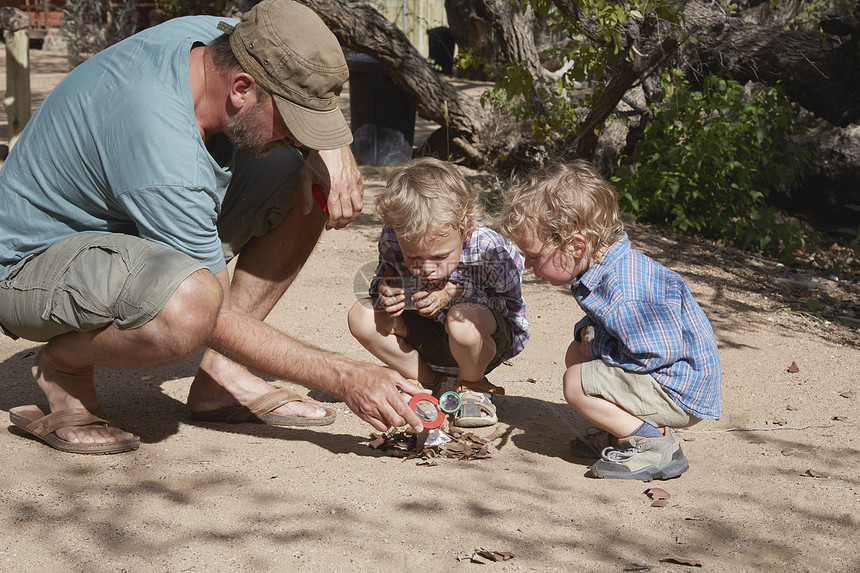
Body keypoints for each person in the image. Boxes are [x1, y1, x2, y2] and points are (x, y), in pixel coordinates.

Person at [0, 0, 425, 455]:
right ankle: (63, 367)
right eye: (294, 122)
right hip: (30, 269)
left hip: (114, 231)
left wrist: (332, 149)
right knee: (191, 305)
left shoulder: (217, 40)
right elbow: (215, 318)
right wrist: (346, 375)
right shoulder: (163, 149)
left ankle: (219, 379)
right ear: (241, 88)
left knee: (308, 180)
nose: (300, 135)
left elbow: (291, 83)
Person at [498, 160, 721, 480]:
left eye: (534, 257)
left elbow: (657, 353)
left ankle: (650, 444)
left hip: (679, 391)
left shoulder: (623, 288)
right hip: (667, 377)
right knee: (576, 354)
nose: (530, 266)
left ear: (576, 246)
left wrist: (599, 344)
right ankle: (623, 430)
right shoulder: (601, 267)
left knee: (576, 383)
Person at [348, 158, 529, 428]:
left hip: (481, 344)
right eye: (414, 257)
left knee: (462, 317)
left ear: (465, 230)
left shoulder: (489, 249)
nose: (428, 269)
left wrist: (457, 293)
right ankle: (430, 380)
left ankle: (472, 386)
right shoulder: (393, 237)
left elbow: (511, 308)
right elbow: (386, 272)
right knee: (361, 315)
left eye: (441, 256)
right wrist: (386, 288)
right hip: (427, 333)